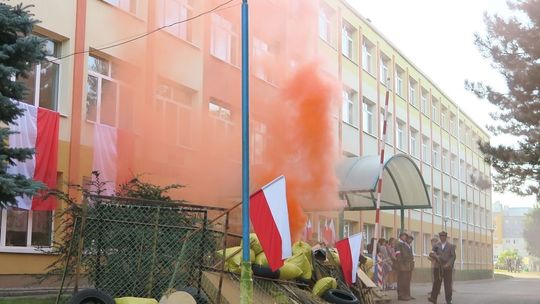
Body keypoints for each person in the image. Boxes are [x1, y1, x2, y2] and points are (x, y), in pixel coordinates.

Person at [428, 231, 456, 304]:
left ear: (446, 237)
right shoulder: (436, 245)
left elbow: (453, 256)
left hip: (447, 268)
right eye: (441, 236)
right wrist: (435, 256)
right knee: (436, 283)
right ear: (440, 237)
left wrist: (448, 264)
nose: (442, 237)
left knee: (447, 285)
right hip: (438, 267)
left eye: (444, 236)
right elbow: (431, 253)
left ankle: (448, 300)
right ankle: (433, 298)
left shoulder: (451, 246)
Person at [395, 232, 414, 301]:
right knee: (401, 281)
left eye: (406, 236)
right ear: (400, 236)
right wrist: (401, 265)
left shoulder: (403, 244)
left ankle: (406, 295)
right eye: (404, 236)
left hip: (407, 265)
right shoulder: (398, 244)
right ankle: (401, 296)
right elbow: (398, 255)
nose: (405, 237)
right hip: (402, 265)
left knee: (406, 280)